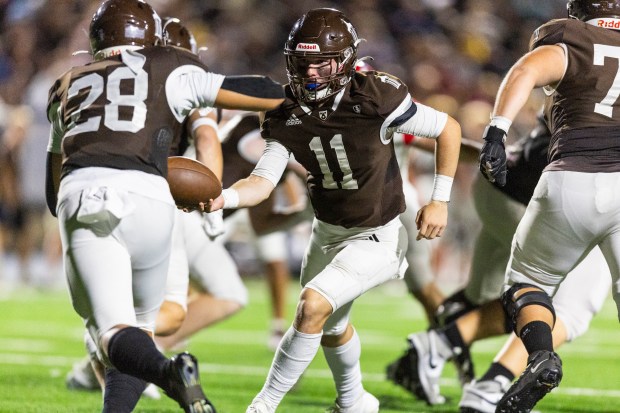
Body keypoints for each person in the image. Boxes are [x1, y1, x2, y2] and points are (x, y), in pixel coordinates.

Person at [206, 8, 462, 413]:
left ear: (343, 61)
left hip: (376, 233)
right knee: (331, 327)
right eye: (301, 63)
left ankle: (262, 406)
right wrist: (225, 198)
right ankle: (355, 401)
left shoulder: (377, 95)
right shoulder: (283, 109)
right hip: (326, 231)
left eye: (320, 63)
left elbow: (448, 128)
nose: (309, 73)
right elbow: (262, 180)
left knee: (311, 307)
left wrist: (440, 198)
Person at [45, 1, 284, 412]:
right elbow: (259, 92)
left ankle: (169, 373)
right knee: (140, 328)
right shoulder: (171, 66)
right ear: (152, 38)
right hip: (156, 201)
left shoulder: (67, 81)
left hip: (89, 193)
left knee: (109, 331)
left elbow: (54, 182)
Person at [386, 115, 611, 410]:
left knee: (485, 294)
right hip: (547, 199)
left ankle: (431, 347)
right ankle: (489, 384)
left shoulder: (587, 72)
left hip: (503, 183)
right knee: (565, 306)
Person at [476, 1, 620, 410]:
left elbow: (525, 71)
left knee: (527, 279)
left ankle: (540, 355)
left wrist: (496, 133)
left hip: (571, 177)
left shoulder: (572, 37)